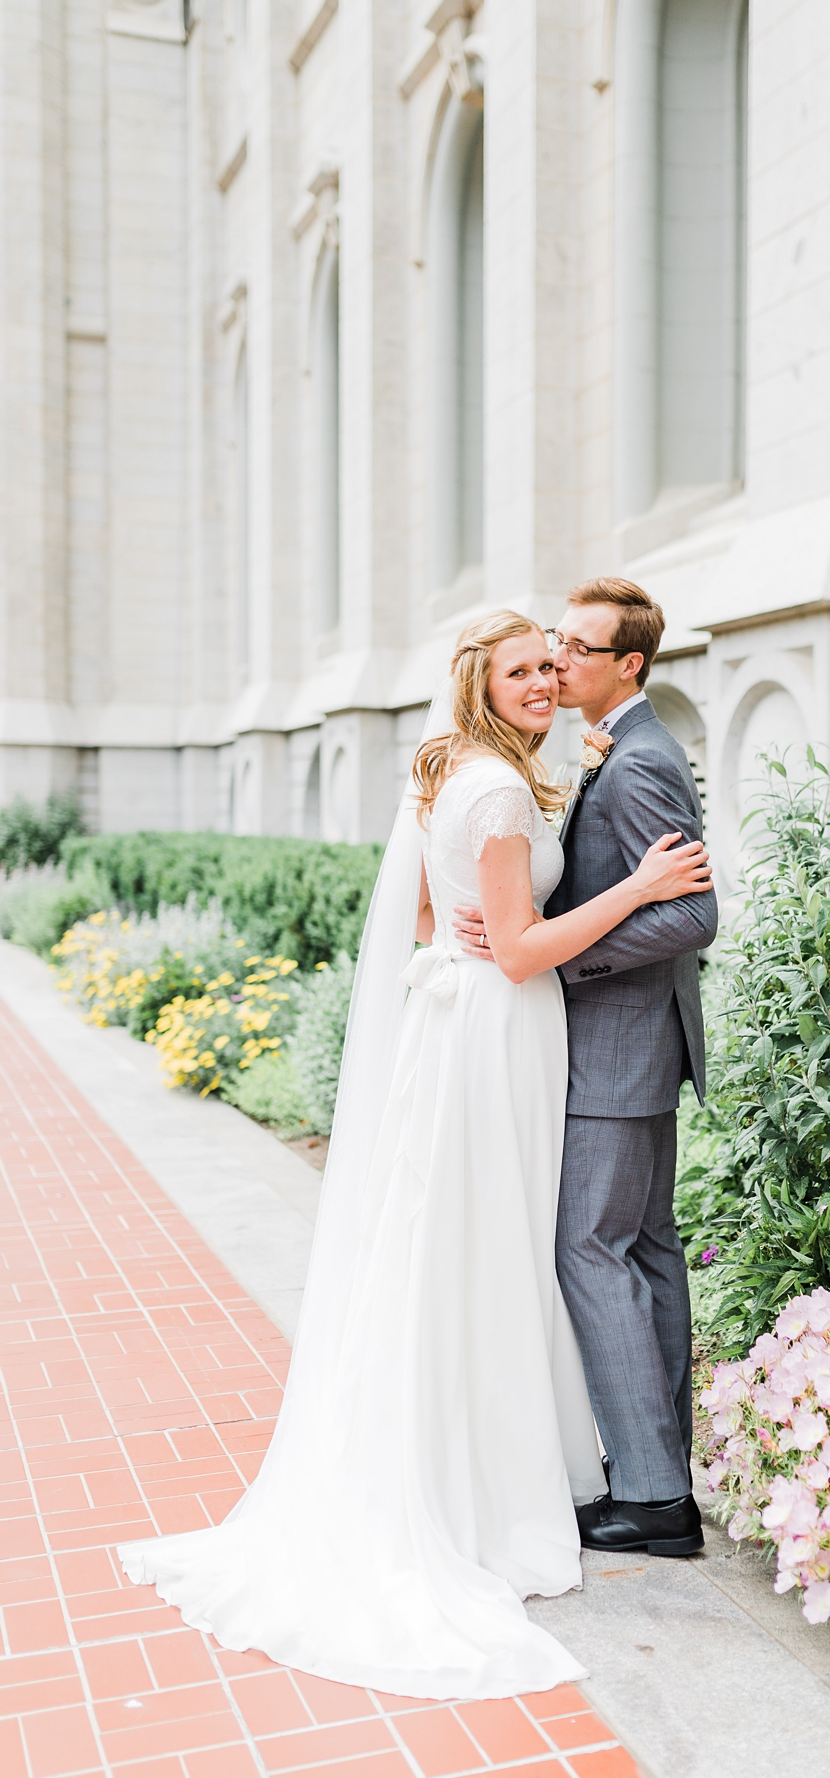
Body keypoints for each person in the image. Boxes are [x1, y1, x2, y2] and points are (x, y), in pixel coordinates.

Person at [117, 608, 711, 1701]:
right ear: (478, 681)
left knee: (473, 1239)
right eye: (521, 669)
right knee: (483, 1244)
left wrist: (479, 927)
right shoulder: (491, 786)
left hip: (478, 1020)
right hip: (495, 1029)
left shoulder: (464, 770)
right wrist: (632, 889)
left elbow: (448, 908)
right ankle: (475, 1485)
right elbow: (523, 947)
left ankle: (511, 1464)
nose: (542, 681)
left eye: (551, 664)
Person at [455, 578, 719, 1558]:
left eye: (575, 649)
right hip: (636, 1045)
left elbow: (693, 914)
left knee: (591, 1250)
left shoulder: (642, 758)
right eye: (548, 647)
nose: (557, 663)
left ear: (628, 667)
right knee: (645, 1249)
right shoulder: (614, 748)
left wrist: (563, 956)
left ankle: (652, 1498)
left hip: (616, 1046)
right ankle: (660, 1469)